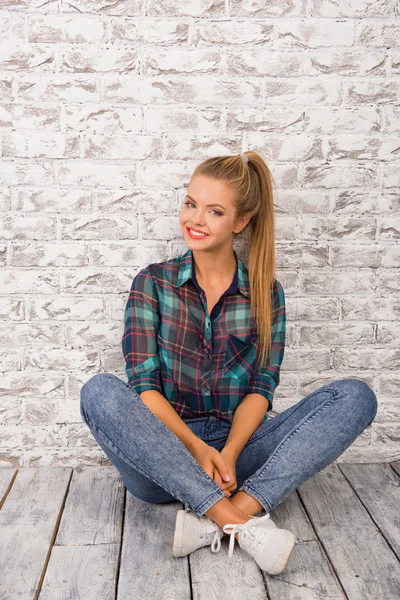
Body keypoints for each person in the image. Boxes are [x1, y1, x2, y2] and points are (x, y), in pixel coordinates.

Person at [80, 151, 378, 575]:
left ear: (240, 222)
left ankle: (217, 519)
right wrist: (197, 450)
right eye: (190, 203)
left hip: (237, 457)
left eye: (214, 211)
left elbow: (261, 389)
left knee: (356, 397)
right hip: (161, 456)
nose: (195, 219)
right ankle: (237, 523)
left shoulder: (265, 293)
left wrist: (230, 452)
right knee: (98, 392)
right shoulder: (152, 283)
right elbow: (144, 388)